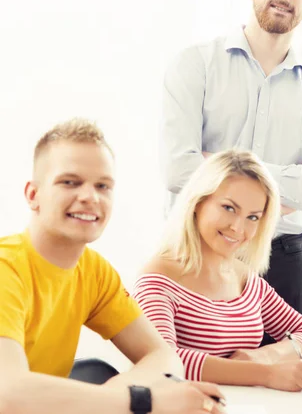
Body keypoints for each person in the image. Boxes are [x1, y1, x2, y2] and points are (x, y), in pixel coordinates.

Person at [161, 0, 302, 322]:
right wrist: (292, 188)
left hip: (285, 264)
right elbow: (178, 170)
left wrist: (222, 171)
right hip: (199, 254)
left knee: (283, 374)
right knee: (196, 376)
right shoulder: (195, 65)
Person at [0, 118, 223, 414]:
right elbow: (9, 394)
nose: (90, 197)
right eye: (70, 182)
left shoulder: (94, 271)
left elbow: (163, 356)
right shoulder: (7, 269)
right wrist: (143, 402)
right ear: (33, 194)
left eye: (103, 186)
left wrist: (107, 401)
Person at [133, 149, 302, 392]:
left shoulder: (246, 280)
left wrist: (266, 355)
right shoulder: (158, 279)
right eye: (229, 208)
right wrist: (264, 374)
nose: (238, 227)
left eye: (253, 217)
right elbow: (164, 362)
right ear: (198, 201)